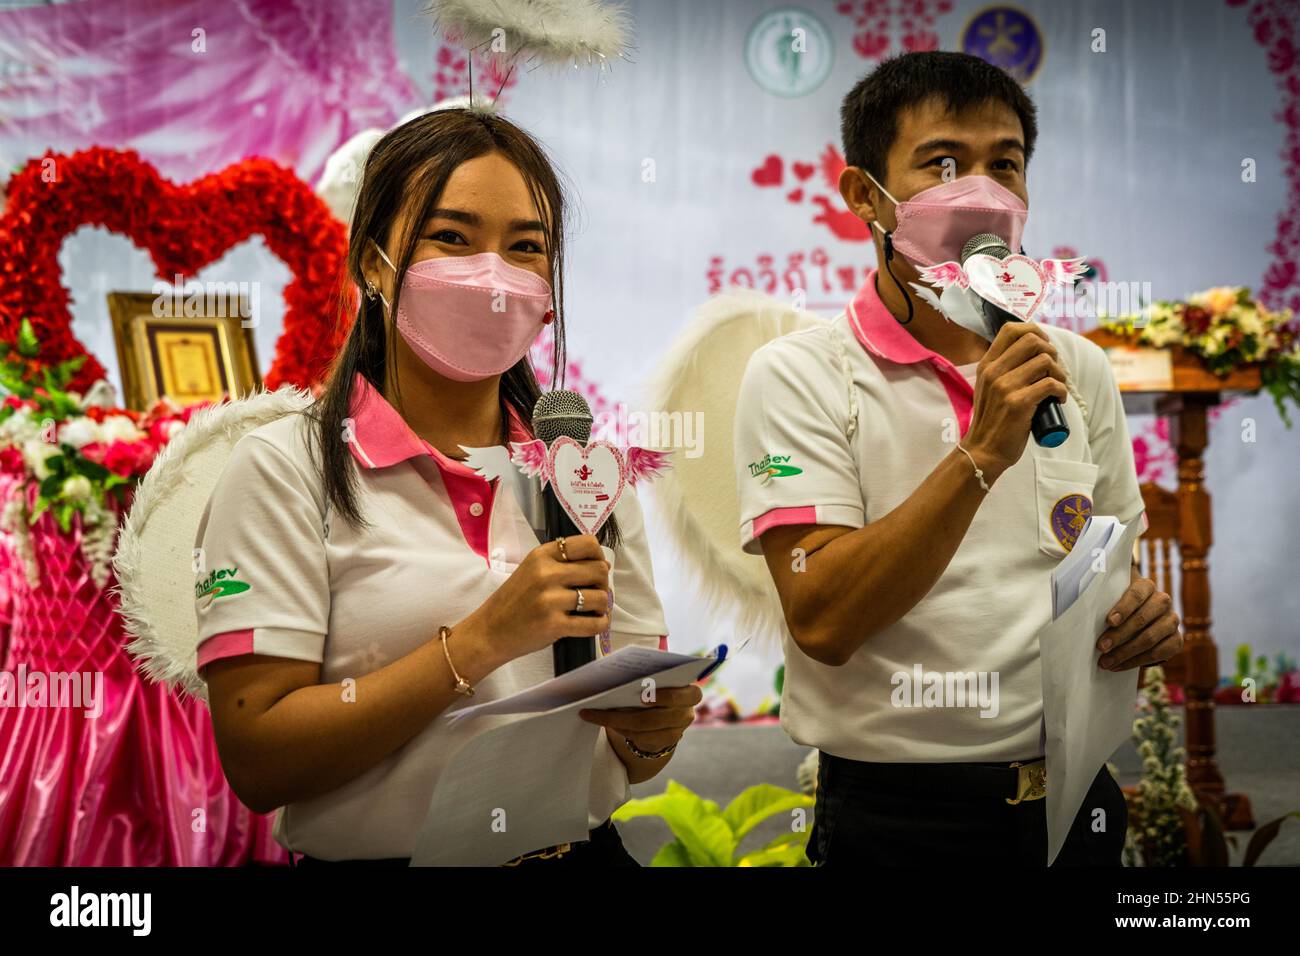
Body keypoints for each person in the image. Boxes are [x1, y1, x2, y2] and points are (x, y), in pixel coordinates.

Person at [194, 107, 700, 865]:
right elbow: (261, 762)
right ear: (373, 263)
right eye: (452, 237)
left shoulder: (587, 475)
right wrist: (480, 641)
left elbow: (629, 747)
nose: (492, 275)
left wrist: (648, 732)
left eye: (525, 248)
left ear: (548, 294)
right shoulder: (283, 469)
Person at [733, 52, 1182, 866]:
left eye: (1003, 165)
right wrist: (978, 456)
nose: (981, 191)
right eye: (942, 163)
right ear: (867, 196)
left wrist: (1139, 615)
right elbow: (824, 620)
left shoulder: (1074, 368)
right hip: (902, 819)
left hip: (1076, 794)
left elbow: (1106, 564)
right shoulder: (799, 375)